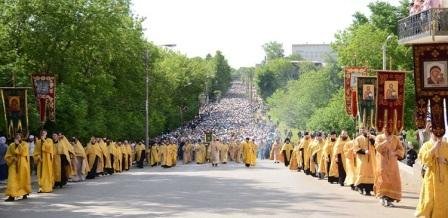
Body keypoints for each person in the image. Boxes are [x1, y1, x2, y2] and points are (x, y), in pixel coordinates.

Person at [415, 130, 448, 217]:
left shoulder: (446, 145)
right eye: (435, 132)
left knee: (443, 201)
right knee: (429, 201)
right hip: (431, 177)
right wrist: (434, 148)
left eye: (441, 132)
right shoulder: (426, 145)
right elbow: (424, 159)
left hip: (444, 179)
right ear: (431, 132)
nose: (438, 135)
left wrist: (445, 161)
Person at [374, 128, 405, 207]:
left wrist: (395, 153)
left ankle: (388, 199)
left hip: (392, 163)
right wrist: (386, 141)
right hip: (382, 162)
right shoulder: (379, 137)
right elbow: (377, 148)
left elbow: (401, 150)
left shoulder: (396, 138)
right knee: (382, 179)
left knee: (393, 180)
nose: (388, 130)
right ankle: (382, 197)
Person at [4, 133, 31, 201]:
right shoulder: (11, 145)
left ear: (21, 137)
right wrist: (12, 158)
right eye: (16, 137)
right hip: (13, 163)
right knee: (12, 179)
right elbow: (7, 155)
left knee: (22, 178)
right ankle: (11, 195)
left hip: (22, 163)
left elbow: (22, 152)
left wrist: (18, 144)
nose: (17, 138)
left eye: (19, 137)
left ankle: (24, 193)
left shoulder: (25, 144)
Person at [353, 128, 376, 195]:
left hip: (371, 159)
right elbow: (356, 148)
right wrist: (364, 151)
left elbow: (375, 145)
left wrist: (371, 138)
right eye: (365, 130)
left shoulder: (371, 137)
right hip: (362, 159)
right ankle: (360, 188)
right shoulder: (358, 138)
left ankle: (368, 190)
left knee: (370, 174)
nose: (366, 131)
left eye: (368, 130)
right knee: (361, 172)